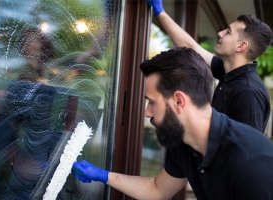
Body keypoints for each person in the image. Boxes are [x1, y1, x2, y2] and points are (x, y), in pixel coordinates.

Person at [72, 47, 273, 200]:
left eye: (152, 102)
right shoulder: (183, 141)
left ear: (179, 101)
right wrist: (105, 176)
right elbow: (157, 190)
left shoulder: (250, 162)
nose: (147, 113)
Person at [147, 0, 273, 133]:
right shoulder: (227, 70)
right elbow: (191, 47)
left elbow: (247, 150)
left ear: (241, 46)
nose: (220, 33)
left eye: (228, 32)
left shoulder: (248, 92)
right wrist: (160, 12)